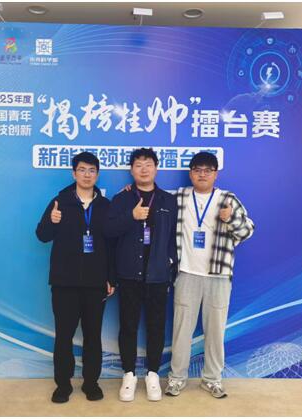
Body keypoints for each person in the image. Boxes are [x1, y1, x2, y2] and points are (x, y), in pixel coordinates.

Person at [165, 151, 254, 399]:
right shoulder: (179, 197)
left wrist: (231, 219)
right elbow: (153, 200)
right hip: (186, 273)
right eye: (197, 170)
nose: (202, 174)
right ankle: (176, 378)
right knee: (181, 330)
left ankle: (212, 379)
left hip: (219, 276)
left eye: (207, 170)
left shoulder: (227, 199)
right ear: (190, 173)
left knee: (215, 331)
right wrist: (131, 192)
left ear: (216, 174)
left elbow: (248, 231)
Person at [36, 152, 116, 404]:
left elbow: (112, 245)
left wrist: (111, 278)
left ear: (97, 175)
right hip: (64, 283)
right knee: (64, 336)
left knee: (93, 336)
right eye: (82, 170)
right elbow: (42, 235)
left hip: (95, 283)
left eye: (92, 170)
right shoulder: (59, 202)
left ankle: (91, 383)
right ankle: (63, 385)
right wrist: (52, 221)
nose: (87, 175)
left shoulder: (105, 206)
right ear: (74, 173)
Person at [104, 148, 178, 402]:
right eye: (138, 165)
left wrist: (170, 264)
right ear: (131, 170)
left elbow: (174, 238)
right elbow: (108, 231)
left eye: (148, 164)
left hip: (158, 275)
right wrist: (131, 216)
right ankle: (129, 375)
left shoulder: (168, 200)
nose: (143, 169)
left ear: (156, 168)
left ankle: (153, 375)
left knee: (156, 327)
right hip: (129, 275)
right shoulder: (121, 199)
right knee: (128, 326)